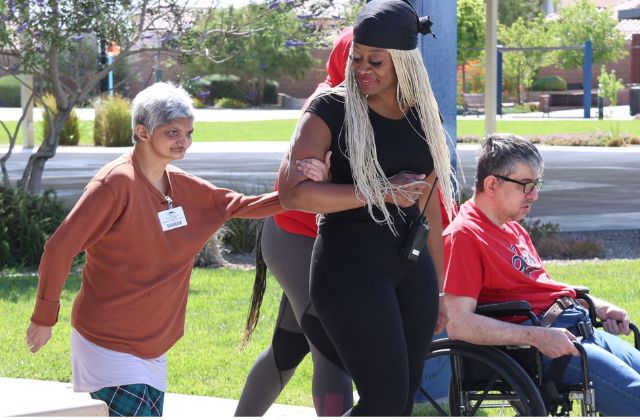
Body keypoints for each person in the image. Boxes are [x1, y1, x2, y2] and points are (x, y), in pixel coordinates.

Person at [24, 82, 327, 417]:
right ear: (142, 132)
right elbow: (59, 248)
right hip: (108, 343)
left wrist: (307, 187)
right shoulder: (114, 184)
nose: (183, 141)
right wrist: (44, 317)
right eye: (172, 132)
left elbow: (242, 205)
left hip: (155, 345)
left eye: (188, 132)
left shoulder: (180, 185)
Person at [278, 0, 456, 415]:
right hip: (349, 268)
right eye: (357, 58)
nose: (362, 69)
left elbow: (429, 204)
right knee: (385, 400)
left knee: (401, 399)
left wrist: (440, 289)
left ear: (404, 62)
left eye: (376, 61)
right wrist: (380, 191)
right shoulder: (330, 110)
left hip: (411, 269)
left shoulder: (422, 115)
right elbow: (294, 194)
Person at [443, 133, 640, 416]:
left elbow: (540, 290)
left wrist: (598, 306)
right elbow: (459, 324)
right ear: (491, 184)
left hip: (576, 330)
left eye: (536, 185)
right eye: (526, 185)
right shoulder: (464, 236)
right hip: (541, 350)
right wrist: (536, 337)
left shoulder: (512, 228)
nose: (534, 194)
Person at [235, 27, 355, 417]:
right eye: (361, 58)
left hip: (326, 242)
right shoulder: (325, 104)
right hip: (296, 238)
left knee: (288, 350)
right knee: (331, 350)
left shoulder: (377, 104)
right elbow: (304, 187)